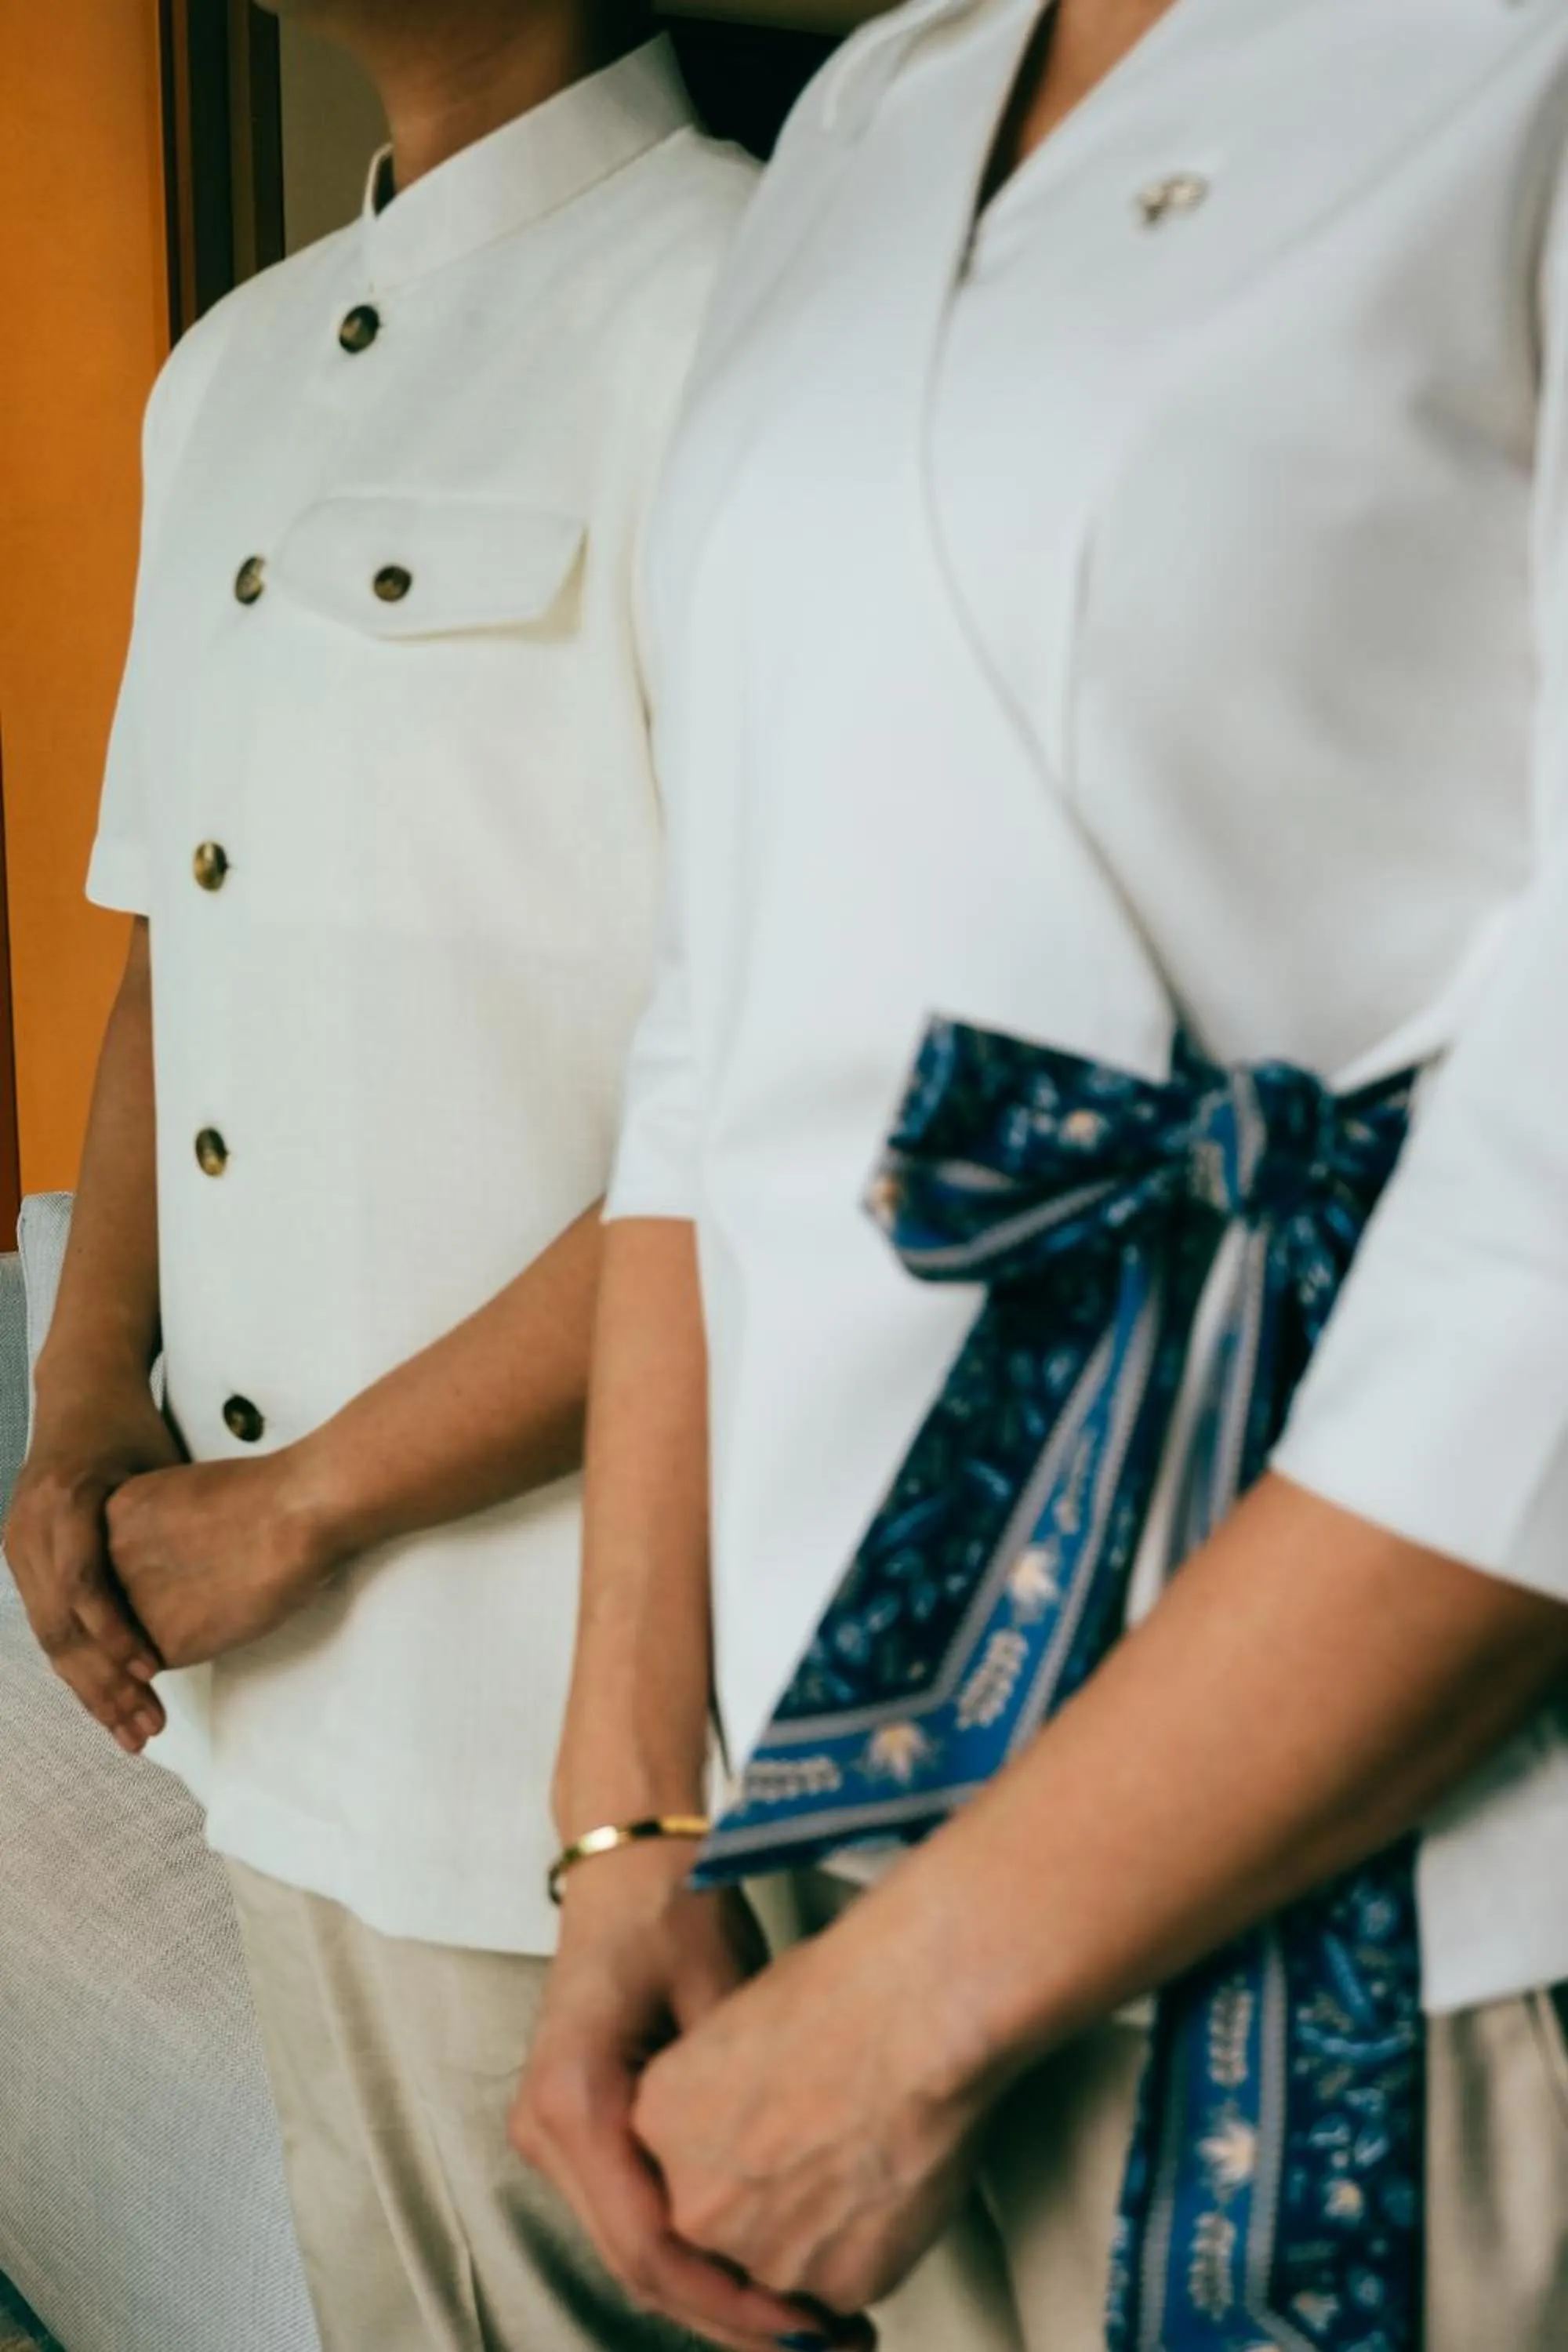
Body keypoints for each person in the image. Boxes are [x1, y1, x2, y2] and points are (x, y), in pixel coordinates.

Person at [510, 1, 1568, 2348]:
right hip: (810, 1883)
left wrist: (919, 2015)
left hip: (1366, 1930)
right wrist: (623, 1824)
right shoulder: (870, 115)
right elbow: (717, 1014)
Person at [4, 2, 755, 2345]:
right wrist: (78, 1397)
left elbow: (764, 1095)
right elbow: (173, 952)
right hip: (268, 1723)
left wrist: (309, 1500)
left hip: (588, 1728)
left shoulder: (749, 302)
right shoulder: (220, 374)